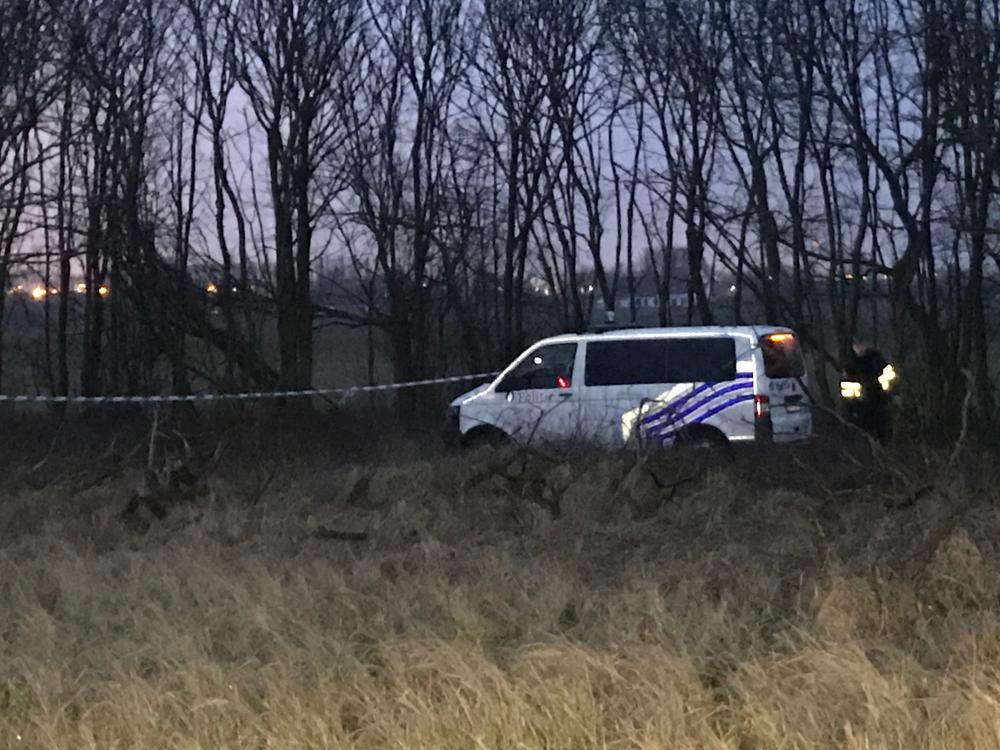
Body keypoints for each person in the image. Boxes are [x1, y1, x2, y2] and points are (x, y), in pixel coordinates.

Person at [841, 341, 893, 440]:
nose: (859, 348)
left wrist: (881, 388)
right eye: (856, 345)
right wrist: (858, 394)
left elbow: (890, 378)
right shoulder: (850, 364)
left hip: (879, 401)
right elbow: (846, 389)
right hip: (858, 407)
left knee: (882, 432)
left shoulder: (877, 359)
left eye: (861, 345)